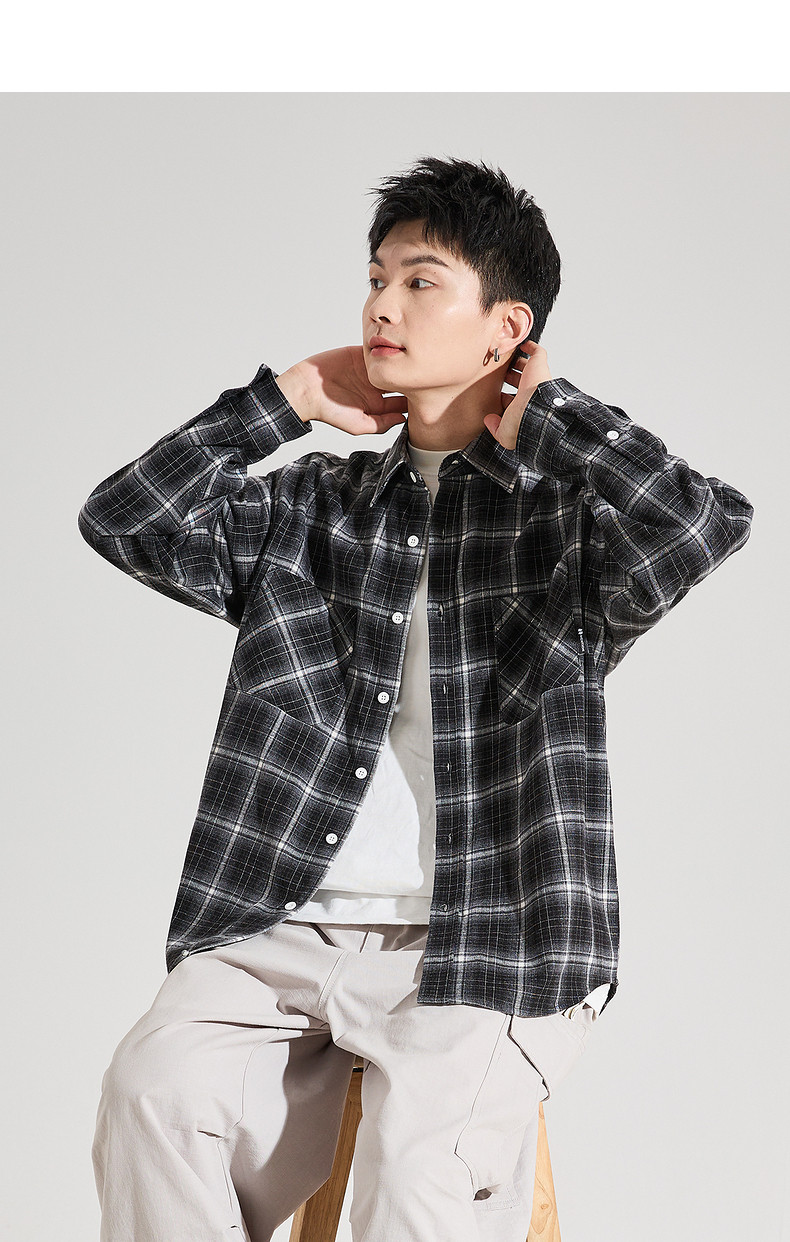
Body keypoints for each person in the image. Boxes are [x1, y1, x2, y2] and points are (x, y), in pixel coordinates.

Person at [79, 155, 754, 1242]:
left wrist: (552, 414)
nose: (382, 306)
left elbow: (703, 525)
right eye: (376, 278)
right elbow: (126, 519)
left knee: (416, 1181)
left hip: (487, 940)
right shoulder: (312, 507)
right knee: (151, 1099)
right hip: (279, 925)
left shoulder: (568, 522)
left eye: (421, 281)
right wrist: (283, 404)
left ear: (505, 328)